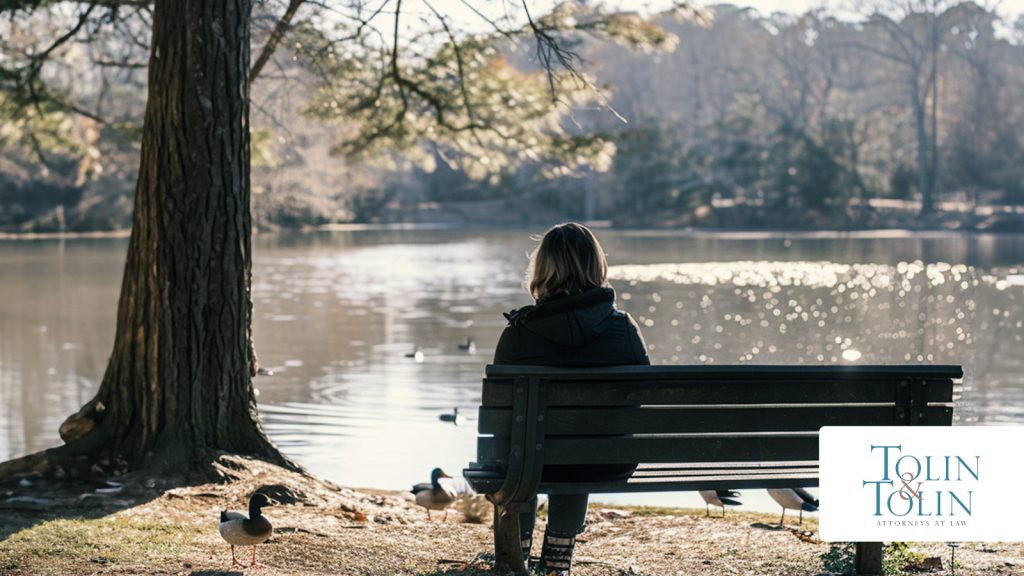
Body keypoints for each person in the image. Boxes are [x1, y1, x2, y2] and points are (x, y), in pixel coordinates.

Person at [493, 222, 649, 576]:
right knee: (583, 444)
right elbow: (637, 405)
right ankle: (558, 557)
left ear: (542, 269)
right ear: (597, 266)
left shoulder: (518, 334)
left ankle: (518, 552)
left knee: (530, 448)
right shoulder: (623, 327)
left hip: (527, 465)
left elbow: (505, 421)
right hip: (605, 461)